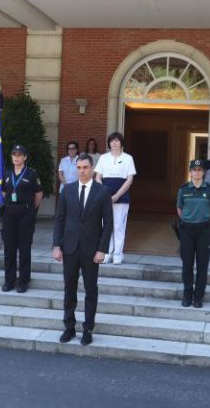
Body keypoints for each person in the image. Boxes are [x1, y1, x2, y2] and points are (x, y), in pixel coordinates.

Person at [52, 153, 113, 346]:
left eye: (85, 167)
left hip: (91, 250)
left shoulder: (102, 192)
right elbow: (59, 219)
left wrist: (102, 249)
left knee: (90, 290)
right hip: (69, 248)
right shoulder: (67, 190)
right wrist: (56, 245)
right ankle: (69, 327)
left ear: (92, 169)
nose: (82, 171)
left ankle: (87, 328)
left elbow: (108, 223)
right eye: (78, 168)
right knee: (69, 289)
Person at [177, 159, 210, 308]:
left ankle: (198, 297)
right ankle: (187, 295)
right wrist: (189, 220)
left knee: (202, 265)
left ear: (203, 172)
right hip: (187, 230)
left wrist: (204, 220)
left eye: (200, 170)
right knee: (187, 265)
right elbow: (180, 209)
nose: (197, 172)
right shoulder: (183, 189)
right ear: (190, 172)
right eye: (194, 170)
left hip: (204, 231)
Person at [1, 144, 43, 293]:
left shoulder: (31, 174)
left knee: (24, 248)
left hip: (25, 213)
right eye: (14, 154)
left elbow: (38, 195)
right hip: (9, 214)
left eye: (20, 155)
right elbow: (4, 192)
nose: (16, 157)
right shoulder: (7, 173)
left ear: (25, 157)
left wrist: (31, 210)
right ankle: (9, 280)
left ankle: (23, 281)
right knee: (9, 248)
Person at [95, 132, 136, 264]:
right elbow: (97, 177)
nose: (114, 143)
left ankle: (118, 254)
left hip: (122, 196)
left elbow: (130, 179)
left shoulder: (128, 158)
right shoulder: (103, 158)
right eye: (112, 140)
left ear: (121, 143)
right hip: (105, 196)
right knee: (106, 225)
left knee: (118, 226)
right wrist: (105, 195)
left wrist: (117, 195)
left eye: (117, 140)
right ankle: (107, 253)